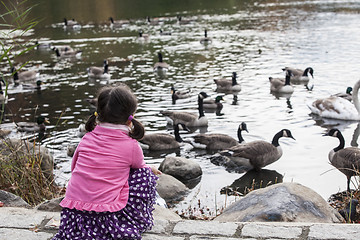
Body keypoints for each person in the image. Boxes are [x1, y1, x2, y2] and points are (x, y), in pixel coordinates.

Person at [53, 84, 161, 240]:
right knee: (144, 174)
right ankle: (132, 221)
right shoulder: (132, 146)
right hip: (107, 217)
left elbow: (74, 167)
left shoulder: (86, 138)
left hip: (73, 216)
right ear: (130, 118)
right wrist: (150, 168)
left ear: (98, 114)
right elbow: (139, 167)